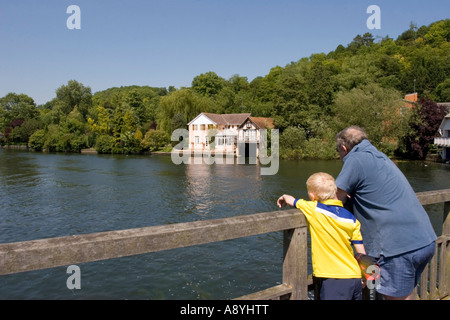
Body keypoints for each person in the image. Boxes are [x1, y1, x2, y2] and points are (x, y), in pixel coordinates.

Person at [335, 126, 437, 300]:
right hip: (424, 239)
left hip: (398, 247)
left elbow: (335, 198)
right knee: (404, 294)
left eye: (338, 152)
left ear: (344, 148)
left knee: (396, 298)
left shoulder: (356, 158)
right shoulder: (379, 156)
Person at [277, 172, 367, 300]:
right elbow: (360, 251)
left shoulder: (313, 209)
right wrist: (364, 274)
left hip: (335, 279)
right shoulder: (352, 219)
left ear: (312, 196)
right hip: (354, 277)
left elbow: (292, 200)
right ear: (335, 191)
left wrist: (284, 196)